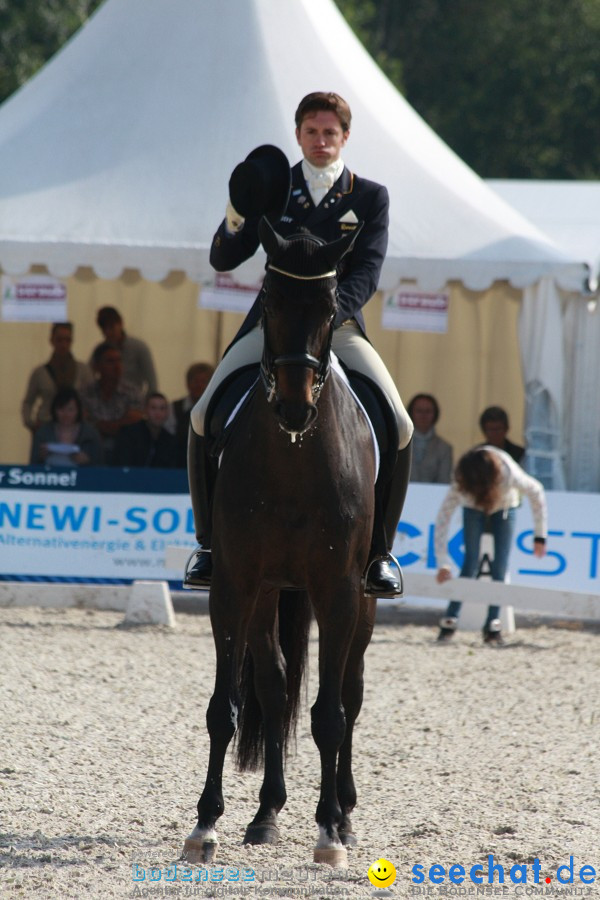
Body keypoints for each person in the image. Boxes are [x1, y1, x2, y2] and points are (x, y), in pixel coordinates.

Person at [185, 91, 414, 595]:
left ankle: (379, 553)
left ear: (345, 137)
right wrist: (237, 207)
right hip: (271, 328)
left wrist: (329, 319)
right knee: (203, 414)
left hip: (339, 326)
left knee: (399, 422)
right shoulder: (275, 187)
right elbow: (224, 257)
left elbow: (368, 273)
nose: (321, 141)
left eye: (330, 132)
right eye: (312, 132)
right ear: (298, 135)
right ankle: (207, 545)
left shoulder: (368, 196)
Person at [434, 445, 547, 643]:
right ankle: (450, 619)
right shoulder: (462, 479)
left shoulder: (508, 473)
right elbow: (444, 517)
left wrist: (540, 536)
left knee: (500, 566)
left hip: (504, 506)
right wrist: (442, 561)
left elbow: (536, 491)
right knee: (470, 562)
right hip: (472, 508)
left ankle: (493, 623)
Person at [21, 322, 94, 434]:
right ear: (52, 341)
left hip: (75, 428)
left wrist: (86, 418)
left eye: (67, 340)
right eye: (59, 340)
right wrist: (31, 424)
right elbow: (28, 402)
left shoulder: (83, 370)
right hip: (46, 426)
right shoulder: (40, 372)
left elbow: (92, 398)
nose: (63, 344)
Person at [81, 342, 144, 464]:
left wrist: (100, 425)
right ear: (96, 366)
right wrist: (119, 424)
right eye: (110, 361)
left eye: (119, 360)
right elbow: (82, 423)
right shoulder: (85, 392)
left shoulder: (133, 392)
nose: (117, 366)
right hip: (90, 452)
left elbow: (134, 422)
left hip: (125, 453)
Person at [90, 306, 158, 398]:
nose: (109, 332)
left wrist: (144, 406)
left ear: (121, 323)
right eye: (105, 329)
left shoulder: (139, 347)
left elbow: (152, 382)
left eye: (111, 327)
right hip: (106, 402)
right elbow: (89, 375)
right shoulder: (99, 349)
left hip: (133, 402)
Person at [29, 387, 103, 466]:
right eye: (61, 409)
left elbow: (101, 466)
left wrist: (88, 461)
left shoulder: (91, 434)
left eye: (70, 409)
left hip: (83, 477)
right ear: (54, 410)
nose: (66, 414)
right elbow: (32, 467)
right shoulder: (42, 433)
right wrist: (40, 457)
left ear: (78, 410)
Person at [113, 392, 178, 468]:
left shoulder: (171, 441)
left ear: (167, 413)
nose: (158, 413)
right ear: (145, 410)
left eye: (162, 408)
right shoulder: (128, 434)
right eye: (153, 408)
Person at [172, 362, 215, 467]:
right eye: (195, 381)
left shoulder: (215, 410)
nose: (198, 385)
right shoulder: (173, 408)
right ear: (187, 383)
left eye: (203, 381)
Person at [407, 393, 453, 483]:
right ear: (410, 413)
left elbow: (444, 482)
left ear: (435, 414)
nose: (423, 416)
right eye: (419, 411)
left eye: (428, 411)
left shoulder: (445, 448)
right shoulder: (400, 444)